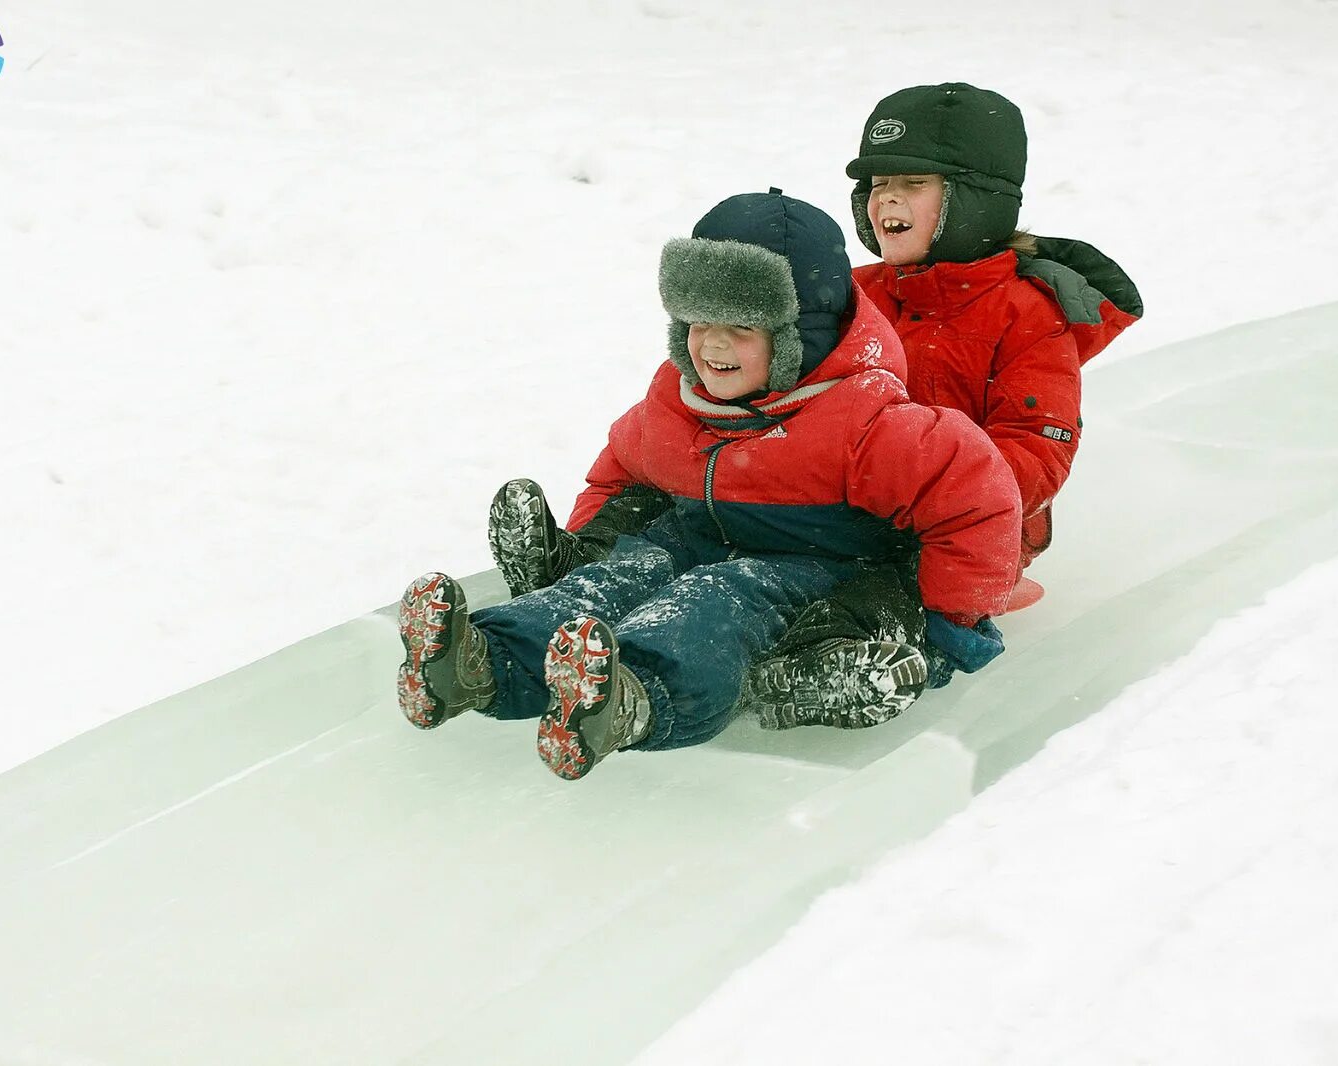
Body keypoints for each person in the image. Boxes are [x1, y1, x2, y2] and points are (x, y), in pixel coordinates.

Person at [487, 83, 1142, 729]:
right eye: (877, 183)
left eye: (912, 183)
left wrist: (920, 481)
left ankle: (829, 661)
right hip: (827, 493)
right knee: (689, 478)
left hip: (954, 525)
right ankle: (583, 561)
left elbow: (1036, 448)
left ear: (975, 200)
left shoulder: (1029, 314)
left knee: (874, 583)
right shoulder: (850, 295)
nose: (887, 198)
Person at [398, 190, 1021, 780]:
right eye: (697, 322)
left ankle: (630, 697)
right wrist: (591, 543)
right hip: (692, 535)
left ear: (800, 339)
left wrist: (947, 625)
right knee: (620, 576)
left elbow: (976, 501)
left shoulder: (868, 426)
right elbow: (619, 470)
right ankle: (484, 662)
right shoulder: (677, 402)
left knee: (715, 599)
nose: (712, 346)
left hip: (815, 561)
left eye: (742, 329)